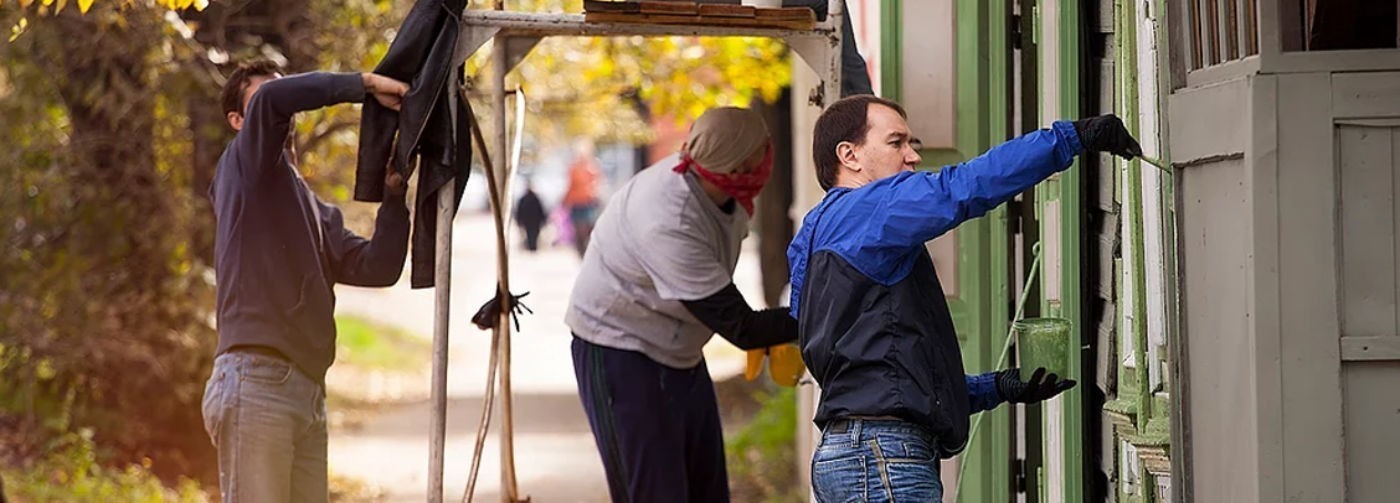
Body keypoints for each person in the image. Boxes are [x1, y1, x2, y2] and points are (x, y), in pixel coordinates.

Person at [788, 95, 1143, 501]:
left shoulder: (813, 237)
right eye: (896, 143)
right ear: (849, 155)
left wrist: (998, 388)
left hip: (846, 456)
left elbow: (884, 375)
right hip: (881, 456)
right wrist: (1069, 139)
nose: (913, 157)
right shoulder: (866, 210)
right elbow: (961, 188)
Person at [566, 107, 801, 502]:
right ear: (744, 165)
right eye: (764, 149)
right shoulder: (667, 219)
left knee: (705, 489)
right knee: (657, 493)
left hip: (679, 351)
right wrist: (831, 312)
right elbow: (742, 328)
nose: (770, 155)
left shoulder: (722, 187)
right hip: (618, 349)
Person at [202, 60, 411, 503]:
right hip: (256, 383)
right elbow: (278, 99)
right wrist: (365, 84)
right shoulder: (244, 167)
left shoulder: (314, 211)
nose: (279, 106)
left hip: (306, 394)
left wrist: (394, 196)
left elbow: (379, 267)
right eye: (258, 102)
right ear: (238, 122)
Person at [562, 141, 603, 257]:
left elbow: (597, 185)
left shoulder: (593, 167)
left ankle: (587, 254)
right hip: (577, 203)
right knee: (579, 231)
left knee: (587, 230)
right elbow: (570, 186)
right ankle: (583, 254)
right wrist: (565, 200)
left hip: (589, 202)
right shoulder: (574, 168)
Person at [514, 181, 548, 252]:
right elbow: (541, 210)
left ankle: (531, 246)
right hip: (535, 221)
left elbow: (519, 211)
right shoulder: (536, 198)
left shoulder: (524, 199)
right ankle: (532, 247)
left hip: (529, 221)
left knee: (531, 234)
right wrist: (544, 220)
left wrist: (519, 220)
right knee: (533, 234)